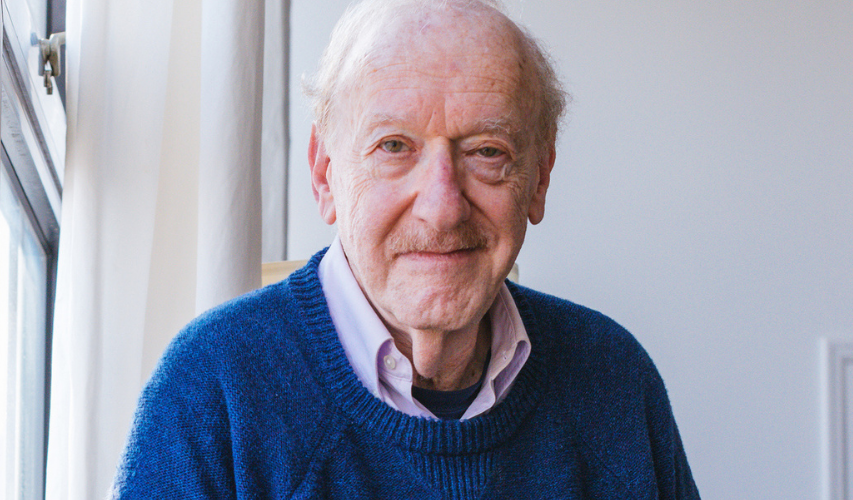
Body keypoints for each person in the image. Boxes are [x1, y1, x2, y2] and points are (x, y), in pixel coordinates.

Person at [115, 0, 699, 497]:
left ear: (539, 178)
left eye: (487, 152)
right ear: (325, 175)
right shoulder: (211, 392)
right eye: (394, 146)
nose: (442, 207)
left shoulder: (615, 383)